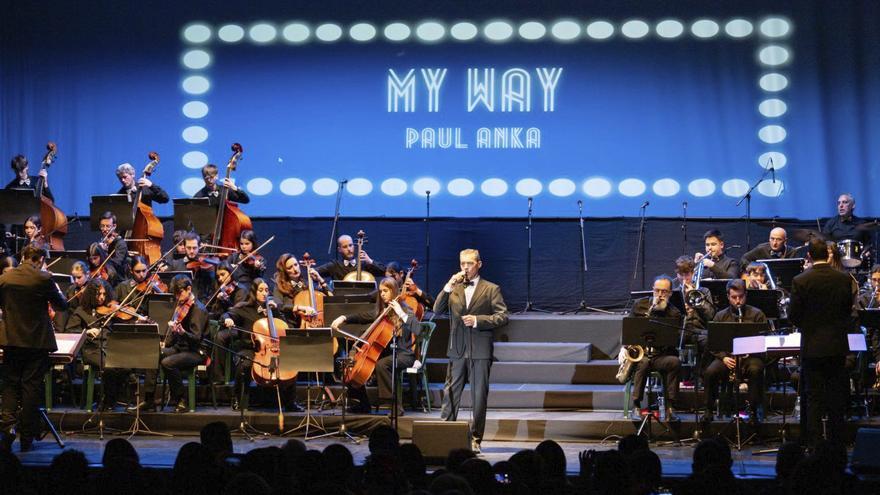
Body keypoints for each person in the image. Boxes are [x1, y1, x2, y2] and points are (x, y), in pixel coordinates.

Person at [433, 248, 508, 452]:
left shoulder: (491, 289)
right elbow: (436, 309)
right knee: (450, 394)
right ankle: (445, 435)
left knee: (478, 397)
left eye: (469, 263)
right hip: (457, 348)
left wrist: (478, 320)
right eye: (462, 264)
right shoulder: (454, 288)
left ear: (479, 264)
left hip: (480, 350)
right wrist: (448, 285)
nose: (465, 268)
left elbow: (502, 316)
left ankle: (476, 439)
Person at [789, 238, 858, 447]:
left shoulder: (801, 280)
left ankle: (815, 444)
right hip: (837, 346)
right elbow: (848, 313)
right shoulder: (843, 278)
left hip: (812, 347)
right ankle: (837, 444)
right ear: (827, 255)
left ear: (809, 255)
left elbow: (794, 317)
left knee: (814, 398)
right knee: (836, 396)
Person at [0, 244, 67, 451]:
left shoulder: (4, 279)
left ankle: (8, 429)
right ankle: (27, 437)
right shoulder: (44, 278)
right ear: (39, 259)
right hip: (36, 342)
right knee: (30, 387)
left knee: (10, 384)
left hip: (11, 340)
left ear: (23, 257)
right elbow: (62, 305)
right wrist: (53, 285)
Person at [331, 277, 420, 415]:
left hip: (404, 354)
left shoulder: (405, 309)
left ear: (394, 291)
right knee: (351, 366)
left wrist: (400, 313)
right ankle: (364, 404)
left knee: (382, 364)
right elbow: (363, 316)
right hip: (386, 354)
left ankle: (395, 406)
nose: (382, 294)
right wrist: (344, 318)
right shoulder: (383, 311)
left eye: (386, 291)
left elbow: (417, 329)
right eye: (381, 291)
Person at [222, 278, 301, 412]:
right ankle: (238, 399)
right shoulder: (244, 308)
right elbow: (226, 314)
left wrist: (276, 312)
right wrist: (227, 319)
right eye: (260, 290)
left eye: (266, 290)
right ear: (254, 292)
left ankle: (290, 402)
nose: (264, 293)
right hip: (249, 348)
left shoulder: (273, 309)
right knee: (244, 364)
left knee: (290, 362)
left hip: (272, 348)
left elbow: (283, 327)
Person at [702, 279, 768, 425]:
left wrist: (747, 353)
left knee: (756, 369)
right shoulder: (720, 316)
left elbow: (764, 340)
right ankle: (708, 410)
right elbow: (713, 343)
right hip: (727, 357)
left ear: (746, 295)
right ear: (728, 296)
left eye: (741, 296)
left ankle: (753, 410)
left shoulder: (757, 314)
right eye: (734, 297)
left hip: (750, 357)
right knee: (710, 372)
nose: (738, 301)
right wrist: (724, 357)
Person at [628, 275, 683, 422]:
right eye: (657, 291)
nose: (660, 295)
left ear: (670, 293)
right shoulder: (640, 305)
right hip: (641, 354)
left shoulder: (674, 313)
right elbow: (628, 330)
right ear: (652, 290)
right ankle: (636, 406)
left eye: (664, 292)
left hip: (661, 355)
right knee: (644, 363)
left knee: (675, 362)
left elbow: (675, 340)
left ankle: (670, 407)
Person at [161, 275, 208, 412]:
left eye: (179, 293)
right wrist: (165, 344)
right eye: (175, 294)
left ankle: (181, 399)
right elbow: (174, 332)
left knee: (167, 363)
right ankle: (149, 399)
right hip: (181, 348)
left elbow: (197, 338)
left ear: (189, 289)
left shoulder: (198, 309)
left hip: (196, 351)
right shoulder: (181, 306)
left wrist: (183, 333)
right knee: (155, 353)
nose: (177, 297)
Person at [272, 253, 330, 327]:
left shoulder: (307, 284)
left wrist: (320, 279)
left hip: (312, 324)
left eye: (296, 265)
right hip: (292, 327)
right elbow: (279, 305)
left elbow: (330, 297)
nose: (295, 269)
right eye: (290, 268)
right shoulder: (279, 287)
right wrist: (300, 308)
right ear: (284, 271)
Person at [169, 232, 217, 303]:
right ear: (184, 247)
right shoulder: (176, 264)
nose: (191, 251)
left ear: (199, 247)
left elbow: (212, 289)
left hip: (201, 306)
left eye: (194, 248)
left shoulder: (206, 266)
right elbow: (171, 290)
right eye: (189, 248)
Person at [316, 234, 385, 281]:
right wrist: (319, 281)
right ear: (339, 249)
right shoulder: (334, 265)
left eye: (350, 245)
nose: (349, 249)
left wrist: (370, 261)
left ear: (354, 246)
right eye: (345, 247)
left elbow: (384, 271)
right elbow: (315, 272)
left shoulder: (363, 263)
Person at [98, 211, 130, 278]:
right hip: (104, 276)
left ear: (114, 226)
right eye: (102, 226)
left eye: (108, 226)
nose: (104, 229)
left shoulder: (121, 244)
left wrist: (104, 252)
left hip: (118, 280)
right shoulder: (102, 241)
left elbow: (116, 264)